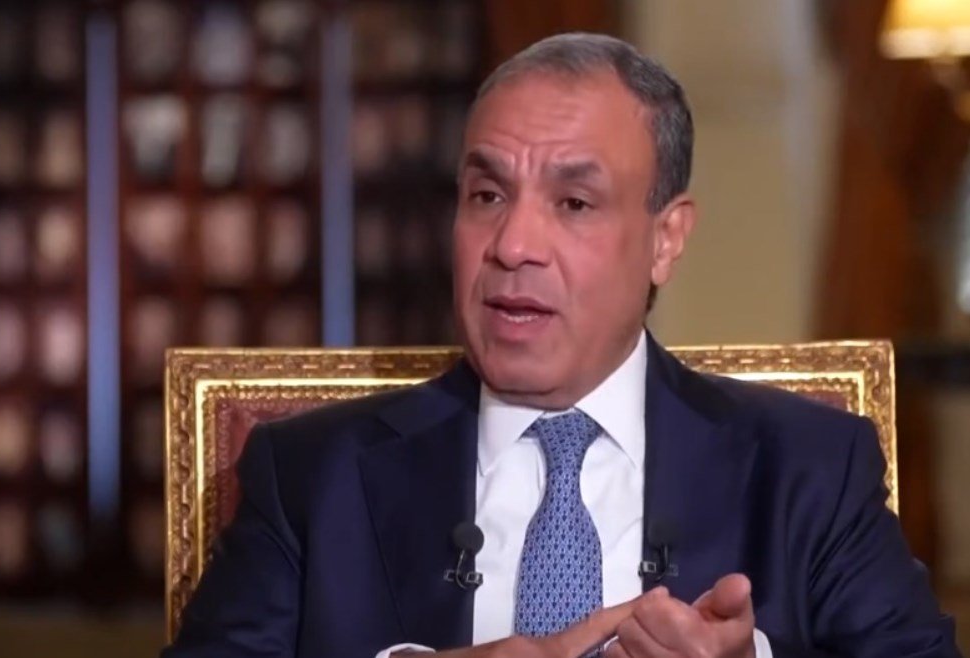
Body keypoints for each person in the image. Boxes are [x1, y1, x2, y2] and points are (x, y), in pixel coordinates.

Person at [162, 33, 960, 658]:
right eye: (486, 195)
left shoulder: (808, 469)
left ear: (665, 239)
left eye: (573, 203)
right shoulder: (309, 477)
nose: (512, 245)